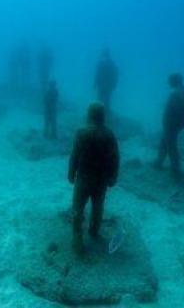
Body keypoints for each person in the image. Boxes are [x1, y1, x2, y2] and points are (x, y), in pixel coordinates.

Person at [68, 103, 120, 254]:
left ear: (89, 114)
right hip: (101, 180)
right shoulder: (109, 134)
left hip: (84, 178)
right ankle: (94, 231)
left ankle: (77, 238)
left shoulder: (81, 133)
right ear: (102, 115)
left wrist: (71, 173)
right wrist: (113, 176)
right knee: (98, 207)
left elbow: (74, 155)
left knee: (78, 208)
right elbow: (115, 158)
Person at [154, 73, 184, 175]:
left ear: (173, 81)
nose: (168, 82)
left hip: (171, 124)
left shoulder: (175, 93)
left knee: (171, 146)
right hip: (175, 124)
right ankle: (159, 162)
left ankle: (175, 169)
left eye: (169, 80)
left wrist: (175, 121)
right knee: (164, 141)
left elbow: (176, 109)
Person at [94, 48, 119, 117]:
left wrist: (95, 83)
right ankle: (102, 113)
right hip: (104, 85)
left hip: (105, 85)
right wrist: (95, 83)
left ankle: (103, 113)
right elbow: (97, 74)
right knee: (103, 99)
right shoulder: (106, 63)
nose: (103, 56)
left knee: (104, 99)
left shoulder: (105, 63)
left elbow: (115, 75)